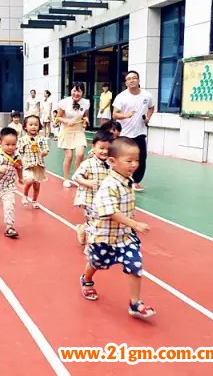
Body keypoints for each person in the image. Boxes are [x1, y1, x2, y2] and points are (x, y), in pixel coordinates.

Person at [80, 137, 156, 319]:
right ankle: (87, 279)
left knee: (134, 263)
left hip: (124, 237)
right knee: (97, 262)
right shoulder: (109, 185)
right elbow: (110, 211)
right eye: (129, 161)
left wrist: (130, 228)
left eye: (137, 160)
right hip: (104, 237)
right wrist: (135, 224)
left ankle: (135, 303)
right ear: (112, 162)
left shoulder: (127, 180)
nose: (134, 165)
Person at [112, 70, 155, 192]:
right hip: (125, 133)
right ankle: (120, 178)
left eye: (134, 78)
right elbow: (114, 115)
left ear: (139, 80)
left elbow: (151, 108)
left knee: (142, 157)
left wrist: (147, 118)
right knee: (124, 158)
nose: (132, 80)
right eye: (129, 79)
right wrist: (126, 115)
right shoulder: (121, 97)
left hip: (140, 132)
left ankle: (136, 181)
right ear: (126, 82)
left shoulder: (147, 95)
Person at [72, 131, 113, 245]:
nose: (105, 151)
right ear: (94, 147)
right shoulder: (88, 163)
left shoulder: (111, 164)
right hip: (90, 199)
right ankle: (91, 246)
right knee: (93, 221)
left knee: (101, 221)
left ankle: (82, 228)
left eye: (108, 149)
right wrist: (87, 182)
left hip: (104, 200)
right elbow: (76, 176)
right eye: (101, 148)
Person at [56, 82, 90, 187]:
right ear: (71, 91)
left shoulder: (86, 103)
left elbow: (85, 115)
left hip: (79, 130)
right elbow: (58, 117)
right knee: (69, 156)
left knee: (80, 154)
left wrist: (85, 121)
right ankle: (66, 178)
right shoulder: (64, 102)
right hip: (66, 131)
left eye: (78, 91)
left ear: (82, 92)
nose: (76, 93)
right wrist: (67, 121)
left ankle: (77, 177)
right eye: (74, 90)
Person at [18, 115, 49, 209]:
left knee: (36, 185)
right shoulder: (22, 139)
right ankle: (25, 195)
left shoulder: (42, 139)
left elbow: (46, 150)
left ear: (39, 126)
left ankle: (35, 200)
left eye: (36, 124)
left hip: (38, 166)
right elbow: (19, 151)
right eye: (30, 124)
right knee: (29, 180)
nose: (33, 126)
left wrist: (44, 153)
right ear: (25, 127)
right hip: (27, 165)